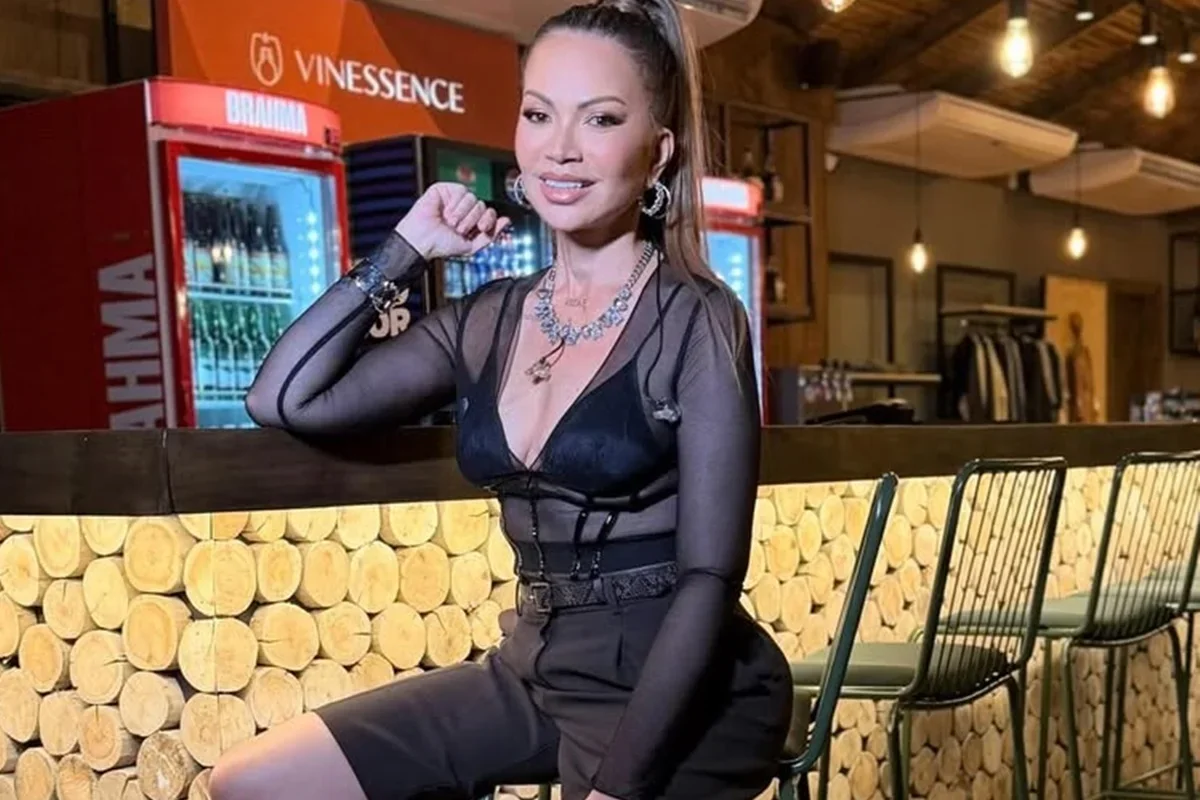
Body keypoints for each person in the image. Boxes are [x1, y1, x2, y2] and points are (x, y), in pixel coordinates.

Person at [209, 1, 792, 799]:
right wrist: (407, 248)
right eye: (538, 114)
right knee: (253, 782)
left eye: (600, 119)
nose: (560, 147)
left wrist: (616, 792)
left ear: (657, 153)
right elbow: (283, 397)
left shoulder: (697, 318)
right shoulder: (488, 320)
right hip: (535, 669)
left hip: (680, 694)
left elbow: (709, 580)